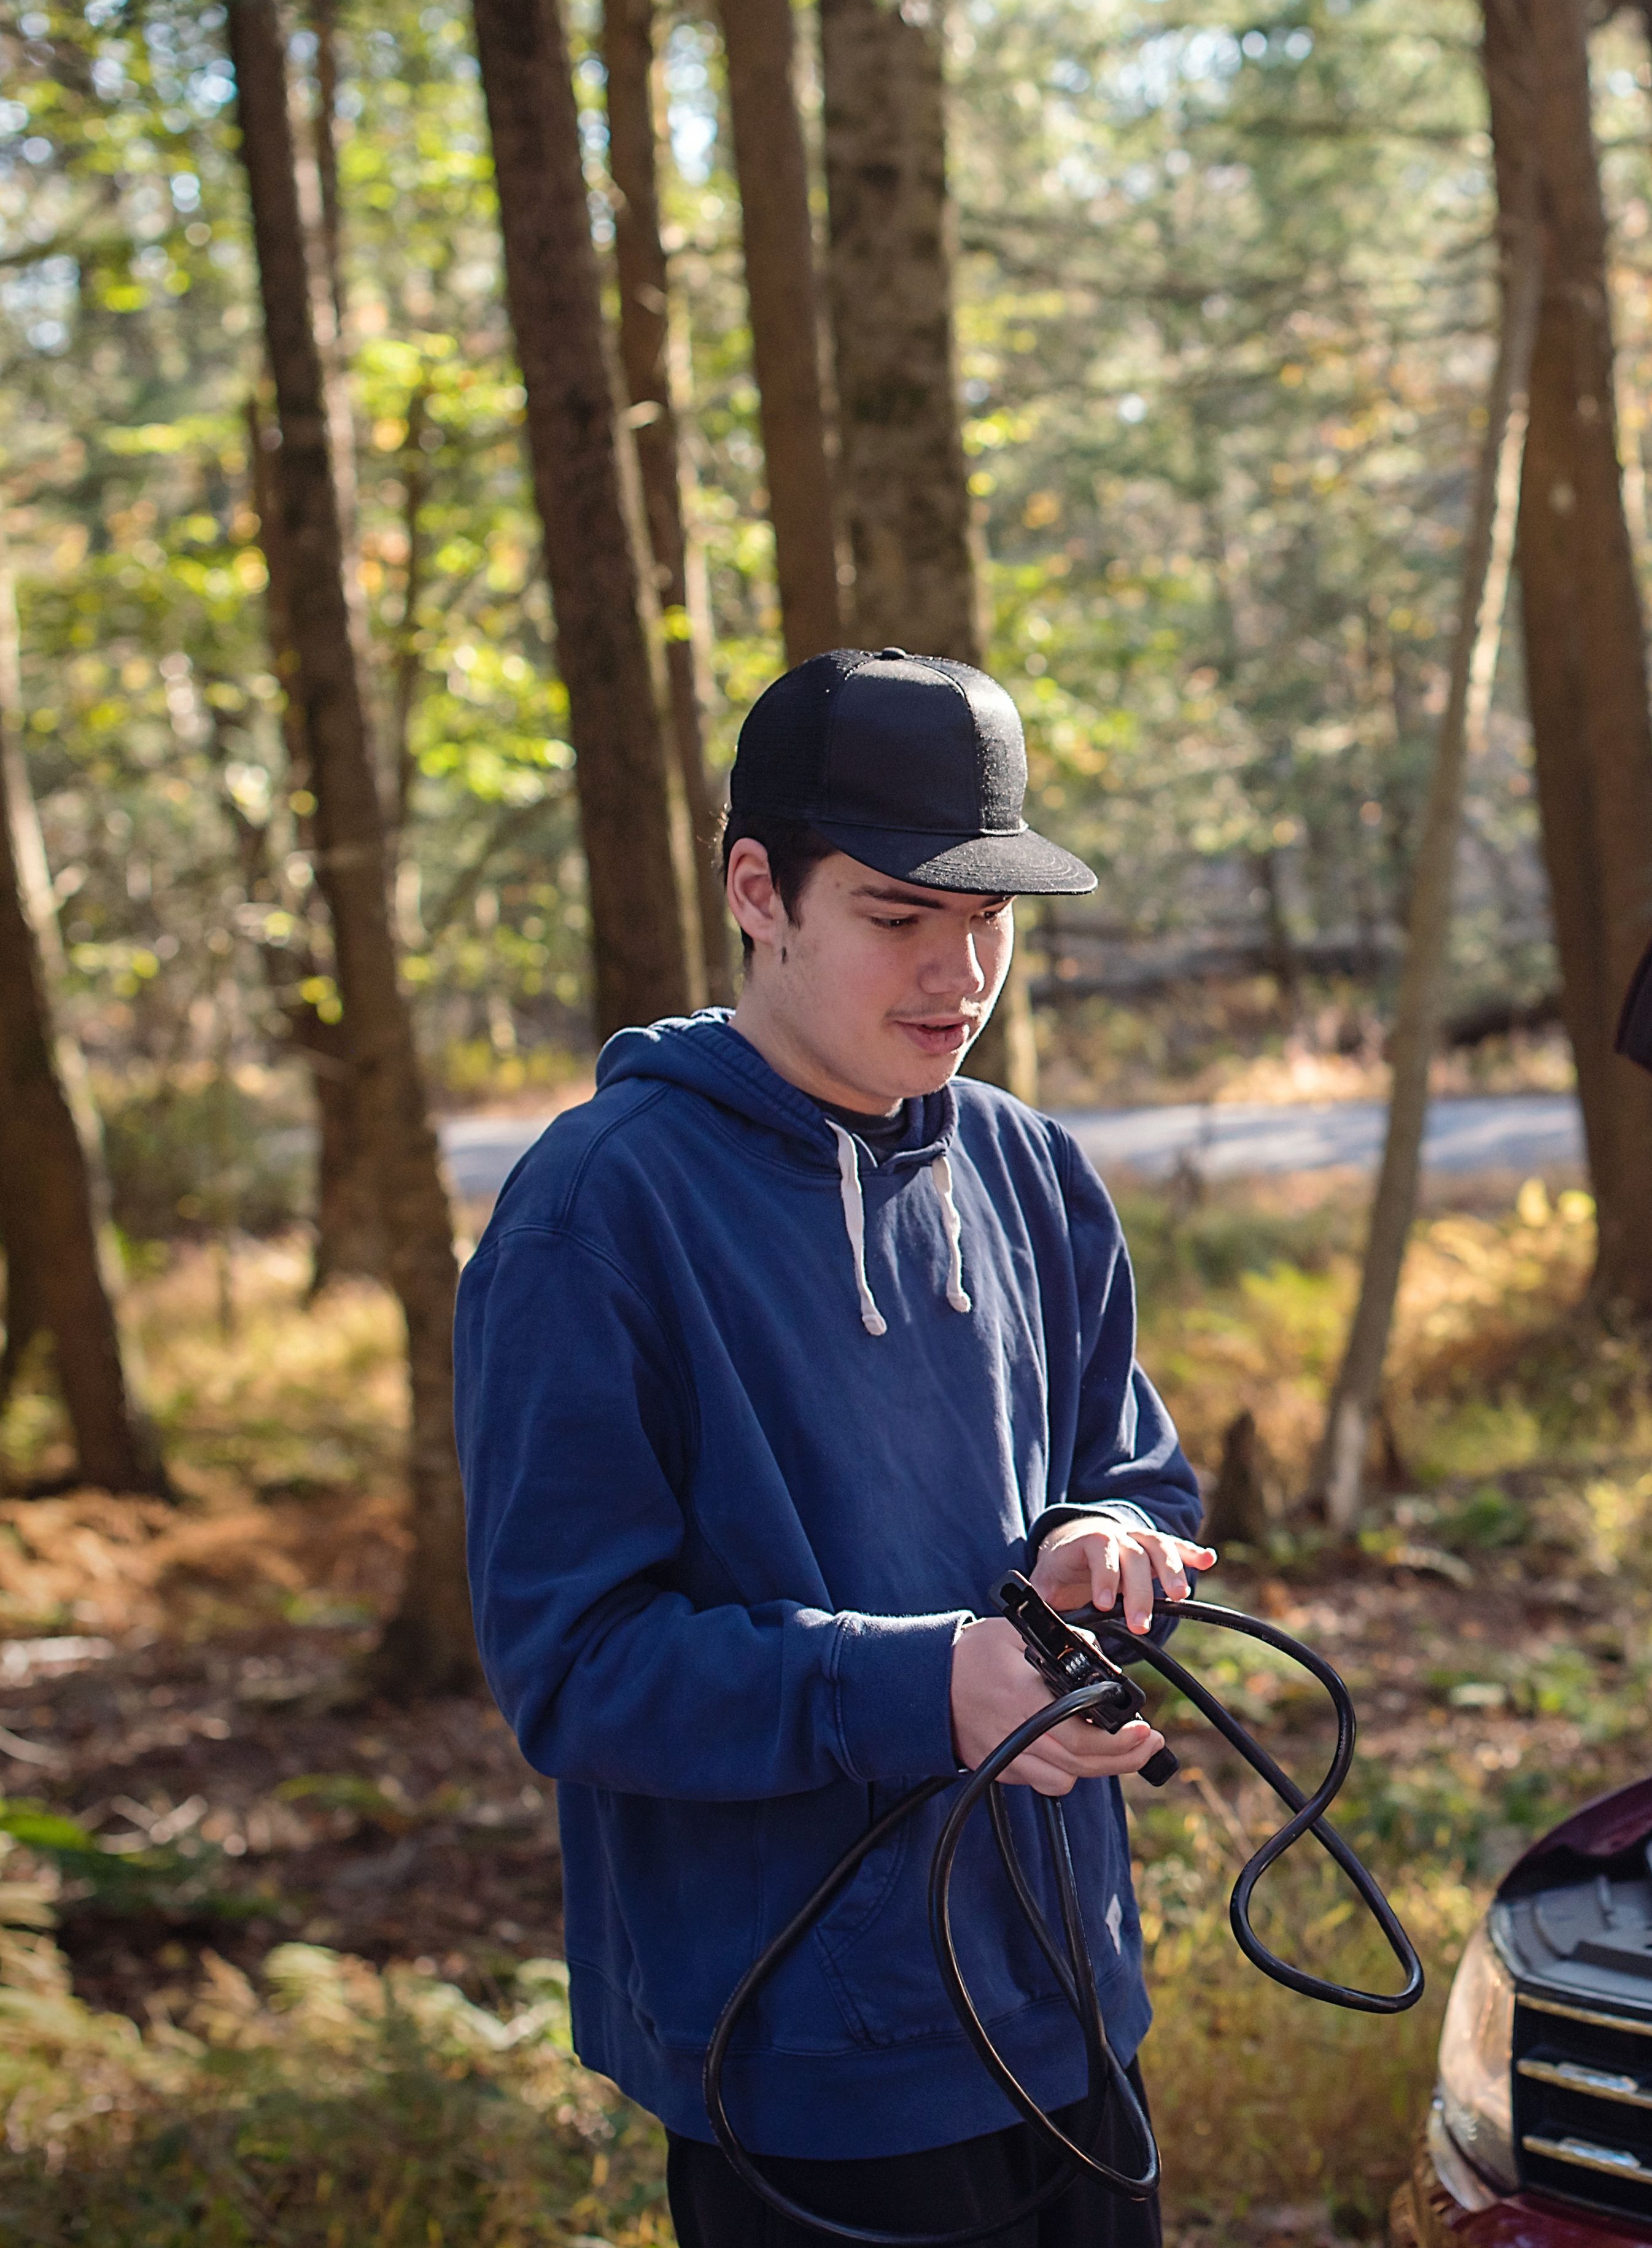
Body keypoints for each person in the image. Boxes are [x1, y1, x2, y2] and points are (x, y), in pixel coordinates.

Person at [459, 649, 1209, 2248]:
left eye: (989, 919)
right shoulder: (598, 1213)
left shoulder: (1026, 1169)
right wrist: (926, 1687)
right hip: (802, 2060)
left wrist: (1109, 1545)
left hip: (1072, 1994)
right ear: (758, 891)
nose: (959, 974)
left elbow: (1132, 1469)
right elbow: (573, 1669)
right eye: (896, 916)